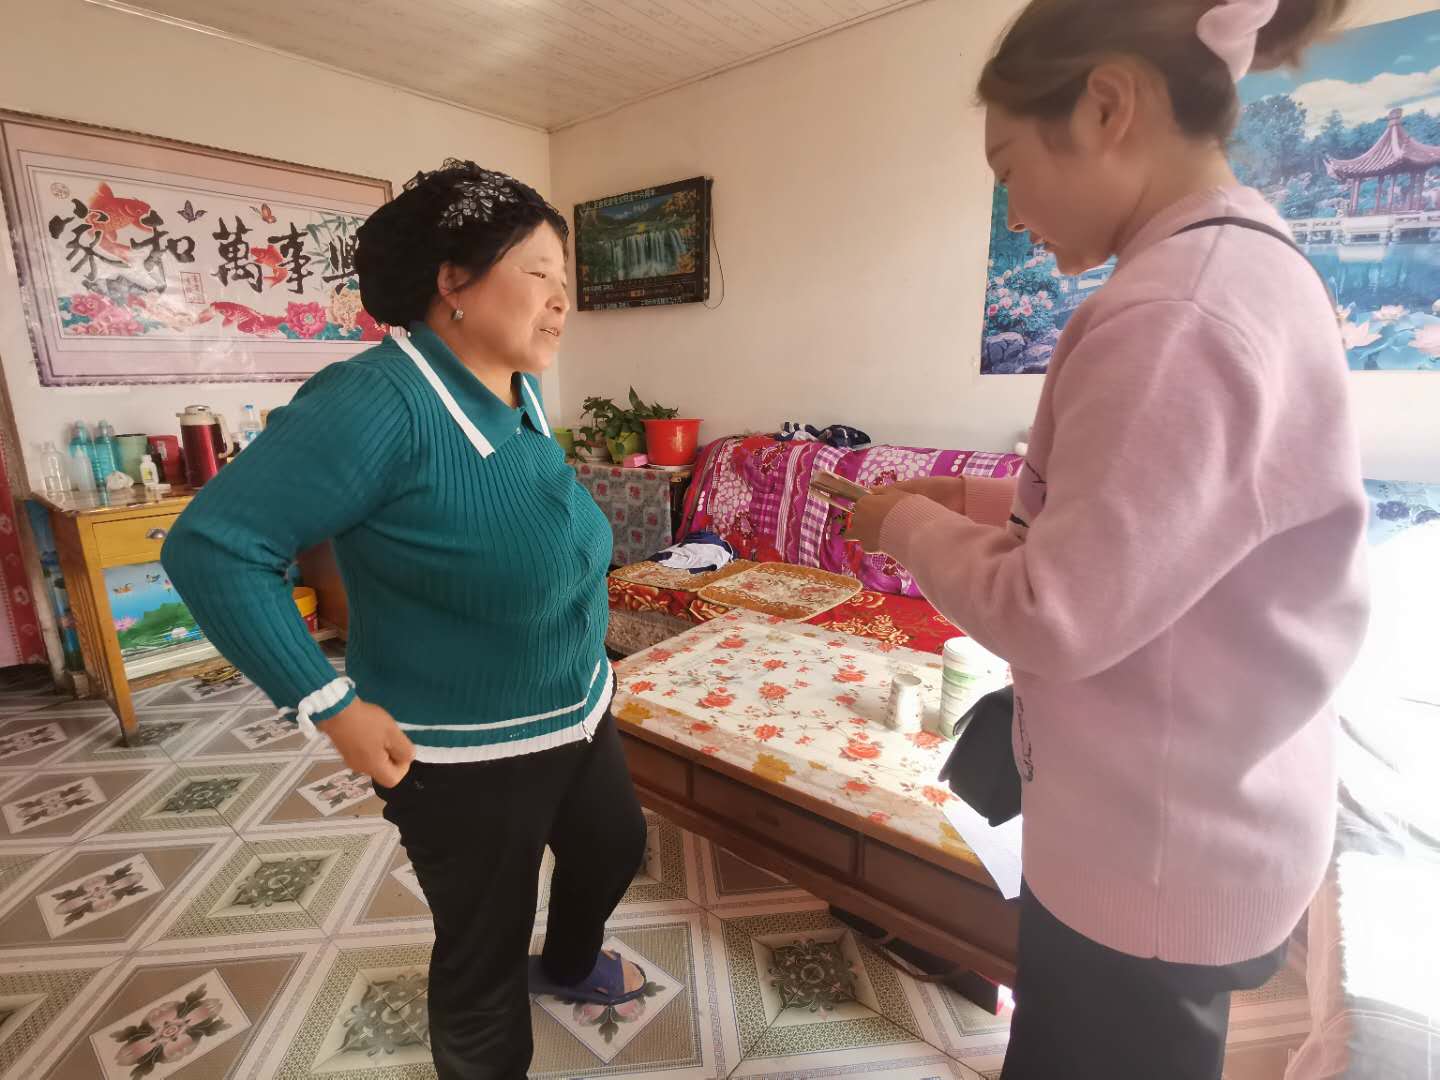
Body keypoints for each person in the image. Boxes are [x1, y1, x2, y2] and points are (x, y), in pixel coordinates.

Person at [844, 2, 1368, 1077]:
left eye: (1009, 167)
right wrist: (972, 499)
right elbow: (1163, 519)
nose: (1014, 209)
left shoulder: (1178, 312)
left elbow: (1057, 611)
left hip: (1156, 860)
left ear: (1107, 106)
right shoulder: (1233, 274)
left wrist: (907, 525)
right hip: (1196, 823)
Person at [162, 159, 648, 1079]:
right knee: (482, 947)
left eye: (564, 278)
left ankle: (568, 966)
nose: (562, 301)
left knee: (613, 847)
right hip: (465, 753)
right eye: (538, 273)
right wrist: (328, 702)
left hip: (576, 709)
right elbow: (214, 548)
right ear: (452, 281)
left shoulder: (513, 386)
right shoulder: (376, 401)